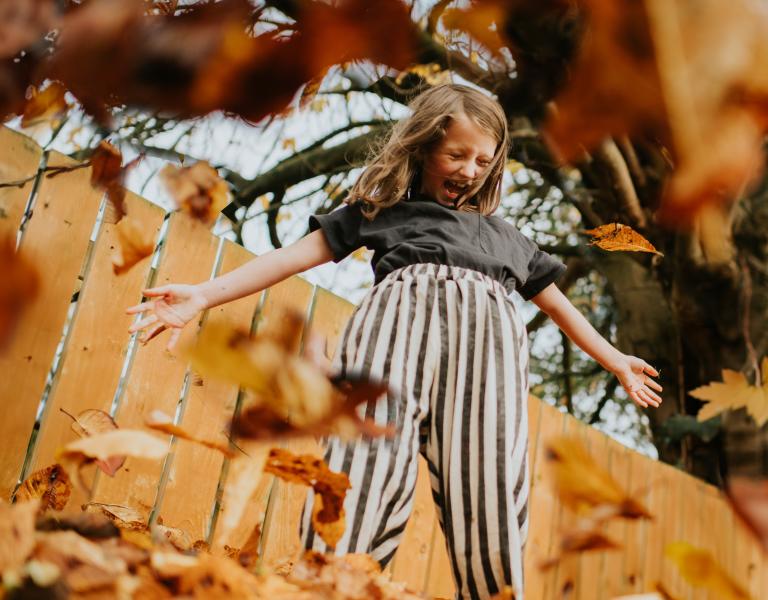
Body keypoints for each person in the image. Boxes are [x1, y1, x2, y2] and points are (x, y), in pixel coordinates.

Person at [126, 83, 661, 600]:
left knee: (491, 481)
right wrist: (203, 295)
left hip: (488, 358)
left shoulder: (509, 239)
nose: (469, 172)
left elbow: (560, 308)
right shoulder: (380, 212)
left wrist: (615, 361)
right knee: (364, 461)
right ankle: (334, 584)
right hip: (395, 334)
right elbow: (289, 257)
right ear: (425, 145)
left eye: (483, 162)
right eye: (456, 155)